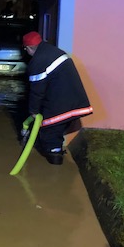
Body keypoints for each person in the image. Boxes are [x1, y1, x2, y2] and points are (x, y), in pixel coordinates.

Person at [22, 31, 93, 165]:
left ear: (29, 48)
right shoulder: (53, 51)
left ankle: (55, 157)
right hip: (75, 99)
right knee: (57, 127)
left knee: (49, 128)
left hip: (61, 101)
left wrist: (33, 111)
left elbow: (37, 91)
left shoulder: (38, 61)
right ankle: (57, 155)